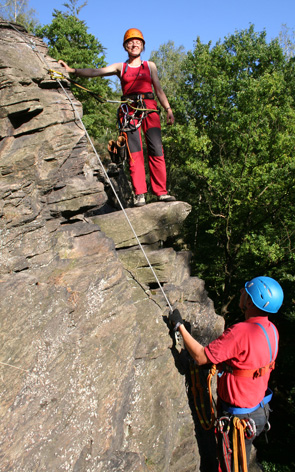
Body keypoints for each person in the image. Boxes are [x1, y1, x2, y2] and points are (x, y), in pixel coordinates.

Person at [169, 276, 284, 471]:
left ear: (250, 302)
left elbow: (200, 357)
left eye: (245, 291)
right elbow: (247, 362)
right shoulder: (272, 330)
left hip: (239, 419)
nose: (240, 292)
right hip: (259, 410)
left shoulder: (241, 331)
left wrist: (179, 325)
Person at [58, 27, 176, 207]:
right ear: (125, 46)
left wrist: (168, 108)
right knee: (134, 153)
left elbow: (158, 89)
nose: (134, 44)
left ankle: (161, 192)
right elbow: (96, 71)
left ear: (142, 45)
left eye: (138, 41)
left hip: (149, 109)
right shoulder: (121, 67)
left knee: (156, 150)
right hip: (129, 112)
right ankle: (140, 195)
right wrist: (72, 70)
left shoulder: (149, 65)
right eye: (130, 42)